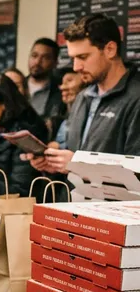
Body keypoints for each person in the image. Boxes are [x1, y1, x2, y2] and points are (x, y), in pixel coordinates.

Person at [29, 13, 140, 176]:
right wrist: (55, 165)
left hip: (119, 202)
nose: (76, 67)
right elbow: (75, 154)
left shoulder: (136, 97)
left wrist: (79, 166)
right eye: (73, 58)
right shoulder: (83, 97)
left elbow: (136, 167)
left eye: (83, 57)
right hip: (74, 199)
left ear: (110, 49)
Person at [26, 38, 65, 133]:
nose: (37, 62)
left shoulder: (62, 91)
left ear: (55, 63)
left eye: (45, 58)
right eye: (34, 56)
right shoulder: (17, 86)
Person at [52, 68, 84, 149]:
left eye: (69, 81)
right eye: (62, 83)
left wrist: (59, 147)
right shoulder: (61, 120)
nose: (62, 87)